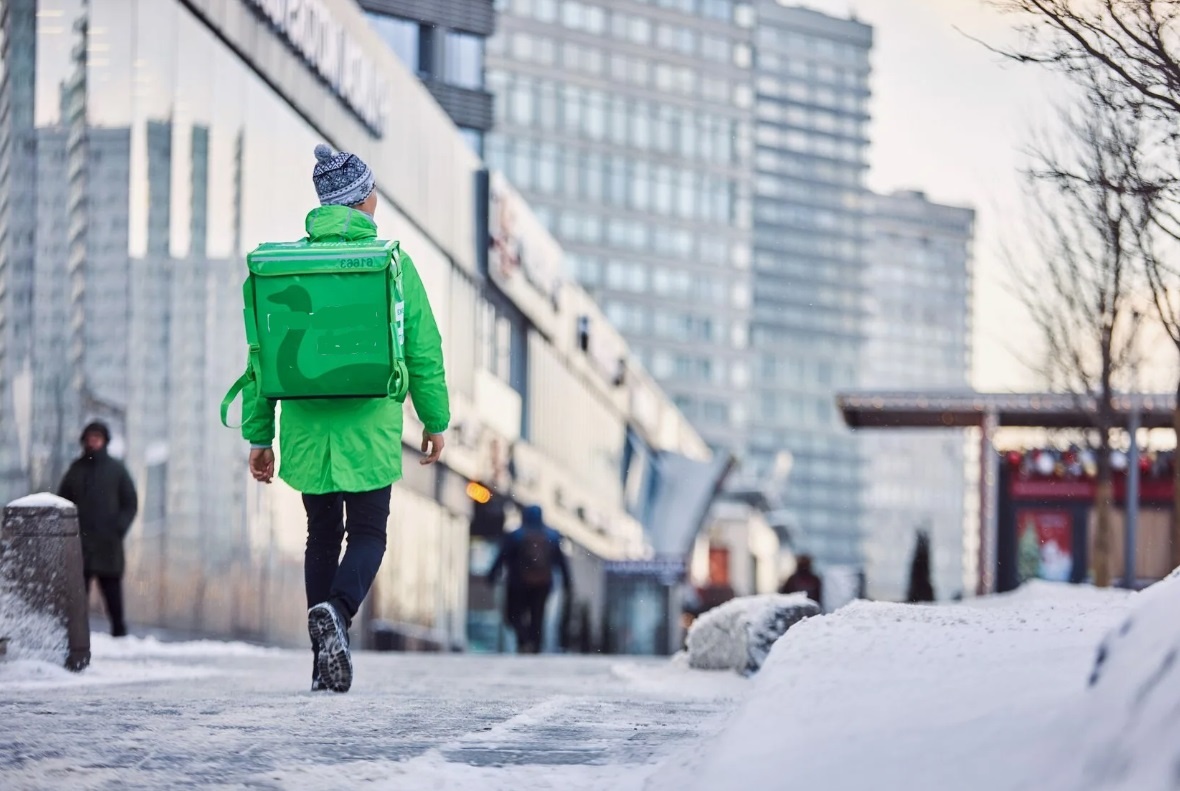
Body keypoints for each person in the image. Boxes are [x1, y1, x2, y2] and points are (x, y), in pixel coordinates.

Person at [241, 144, 450, 693]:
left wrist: (260, 435)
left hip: (308, 426)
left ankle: (322, 658)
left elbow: (265, 353)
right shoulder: (391, 265)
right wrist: (434, 420)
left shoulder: (291, 265)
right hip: (369, 427)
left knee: (321, 535)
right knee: (369, 534)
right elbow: (423, 352)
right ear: (365, 200)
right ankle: (337, 611)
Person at [57, 421, 138, 638]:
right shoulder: (75, 470)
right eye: (90, 438)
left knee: (112, 594)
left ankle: (120, 636)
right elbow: (61, 502)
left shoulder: (117, 470)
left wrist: (118, 528)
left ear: (104, 441)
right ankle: (74, 636)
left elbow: (130, 503)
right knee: (75, 595)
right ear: (84, 440)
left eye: (97, 438)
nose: (93, 442)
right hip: (79, 544)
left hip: (108, 543)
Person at [486, 505, 572, 654]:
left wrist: (492, 575)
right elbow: (561, 562)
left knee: (513, 615)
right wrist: (567, 582)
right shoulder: (551, 536)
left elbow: (503, 556)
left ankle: (524, 640)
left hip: (517, 583)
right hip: (543, 583)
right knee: (537, 615)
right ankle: (535, 645)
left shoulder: (516, 535)